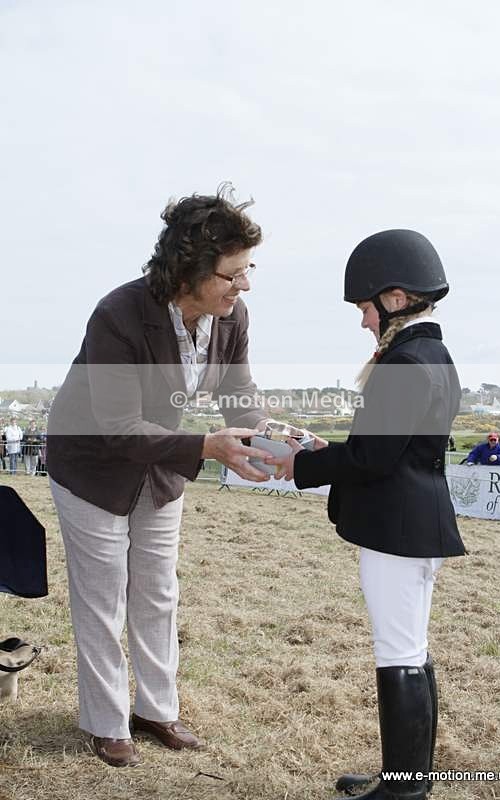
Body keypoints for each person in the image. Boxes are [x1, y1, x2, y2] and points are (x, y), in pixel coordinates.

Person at [47, 185, 272, 768]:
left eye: (247, 271)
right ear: (189, 270)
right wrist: (205, 446)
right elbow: (119, 426)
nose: (244, 285)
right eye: (232, 274)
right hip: (92, 463)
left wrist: (279, 436)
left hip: (162, 464)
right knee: (103, 595)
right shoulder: (118, 314)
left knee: (158, 589)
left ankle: (156, 710)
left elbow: (238, 397)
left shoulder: (231, 316)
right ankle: (105, 719)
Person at [272, 230, 466, 800]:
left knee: (400, 653)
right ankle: (408, 779)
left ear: (396, 299)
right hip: (413, 520)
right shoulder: (430, 352)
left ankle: (404, 792)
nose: (362, 320)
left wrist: (301, 464)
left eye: (364, 307)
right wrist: (320, 452)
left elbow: (372, 455)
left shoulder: (407, 359)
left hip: (398, 526)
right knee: (412, 649)